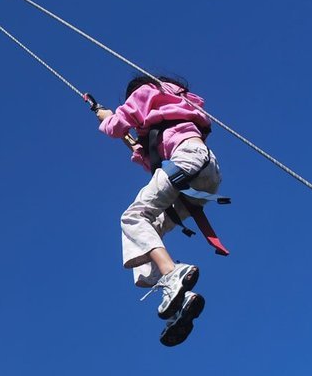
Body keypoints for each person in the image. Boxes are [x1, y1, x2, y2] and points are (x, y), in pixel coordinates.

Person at [94, 75, 222, 346]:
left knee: (133, 218)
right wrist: (137, 144)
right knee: (143, 239)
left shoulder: (147, 91)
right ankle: (179, 298)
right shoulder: (177, 106)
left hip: (188, 161)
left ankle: (172, 273)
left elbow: (116, 126)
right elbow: (154, 165)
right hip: (203, 175)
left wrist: (105, 116)